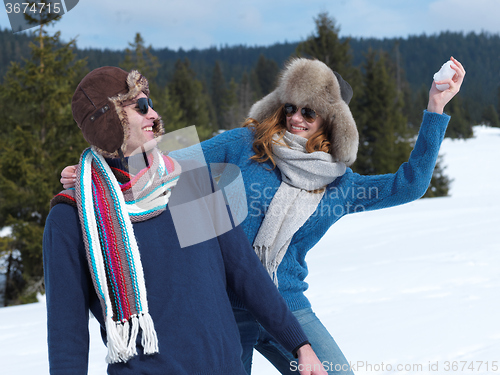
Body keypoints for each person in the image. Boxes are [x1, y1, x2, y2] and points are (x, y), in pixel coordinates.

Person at [60, 57, 466, 374]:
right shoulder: (246, 144)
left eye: (309, 112)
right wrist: (100, 172)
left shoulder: (343, 185)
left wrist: (435, 107)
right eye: (291, 107)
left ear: (330, 121)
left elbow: (409, 184)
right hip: (226, 304)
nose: (296, 118)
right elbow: (166, 163)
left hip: (287, 305)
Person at [44, 66, 328, 375]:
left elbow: (244, 271)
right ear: (109, 119)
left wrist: (300, 345)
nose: (153, 114)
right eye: (139, 106)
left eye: (150, 103)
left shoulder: (188, 183)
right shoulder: (74, 216)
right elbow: (66, 329)